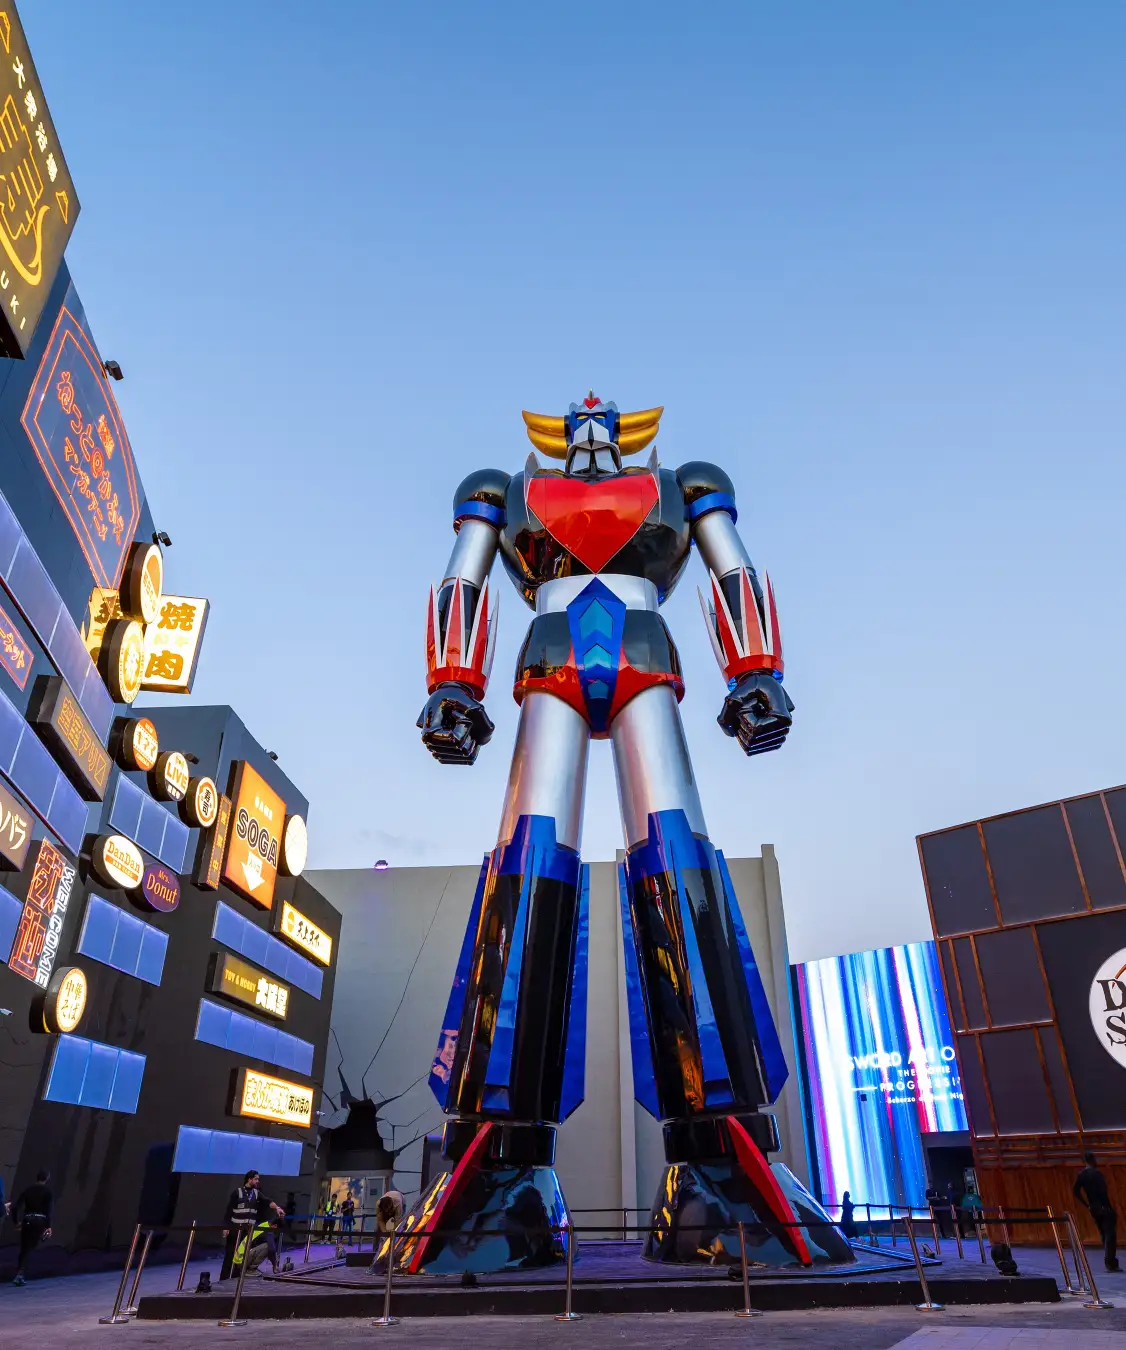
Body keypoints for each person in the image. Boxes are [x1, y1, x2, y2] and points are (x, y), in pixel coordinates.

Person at [221, 1170, 283, 1281]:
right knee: (230, 1255)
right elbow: (229, 1211)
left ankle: (237, 1277)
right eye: (256, 1179)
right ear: (249, 1179)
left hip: (248, 1231)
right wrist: (226, 1227)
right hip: (236, 1229)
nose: (258, 1181)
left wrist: (277, 1208)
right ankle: (224, 1279)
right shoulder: (237, 1192)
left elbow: (268, 1201)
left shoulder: (256, 1193)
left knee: (244, 1254)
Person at [1074, 1151, 1120, 1272]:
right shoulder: (1097, 1174)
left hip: (1093, 1208)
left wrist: (1087, 1205)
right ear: (1093, 1160)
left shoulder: (1081, 1175)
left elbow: (1076, 1191)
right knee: (1110, 1234)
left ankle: (1109, 1261)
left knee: (1104, 1234)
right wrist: (1108, 1207)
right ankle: (1110, 1262)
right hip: (1103, 1207)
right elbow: (1103, 1192)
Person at [11, 1170, 53, 1286]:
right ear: (47, 1178)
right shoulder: (48, 1192)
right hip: (39, 1221)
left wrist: (16, 1222)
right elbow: (49, 1210)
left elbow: (15, 1208)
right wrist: (48, 1226)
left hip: (27, 1220)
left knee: (24, 1248)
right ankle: (20, 1275)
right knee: (30, 1248)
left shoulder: (28, 1190)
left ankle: (19, 1273)